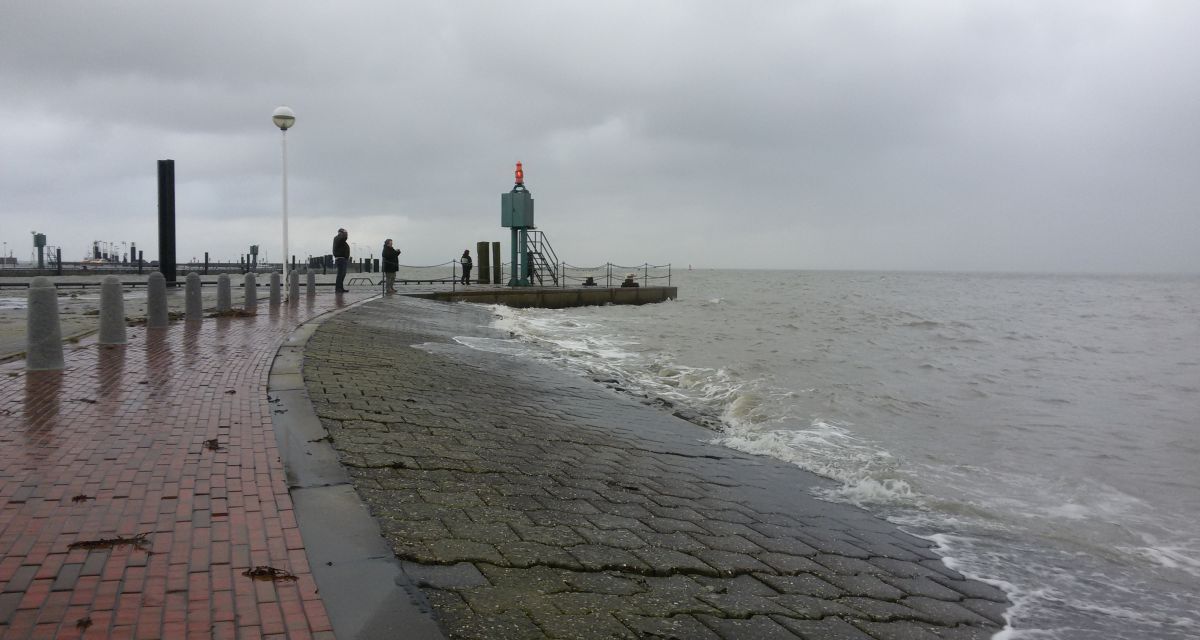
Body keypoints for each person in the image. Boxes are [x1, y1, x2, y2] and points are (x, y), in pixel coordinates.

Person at [332, 228, 350, 293]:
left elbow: (343, 240)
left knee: (343, 274)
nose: (345, 234)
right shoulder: (337, 238)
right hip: (340, 259)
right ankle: (338, 289)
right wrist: (344, 235)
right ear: (340, 232)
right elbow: (342, 239)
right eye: (343, 232)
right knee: (340, 274)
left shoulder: (341, 240)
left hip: (343, 259)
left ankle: (341, 288)